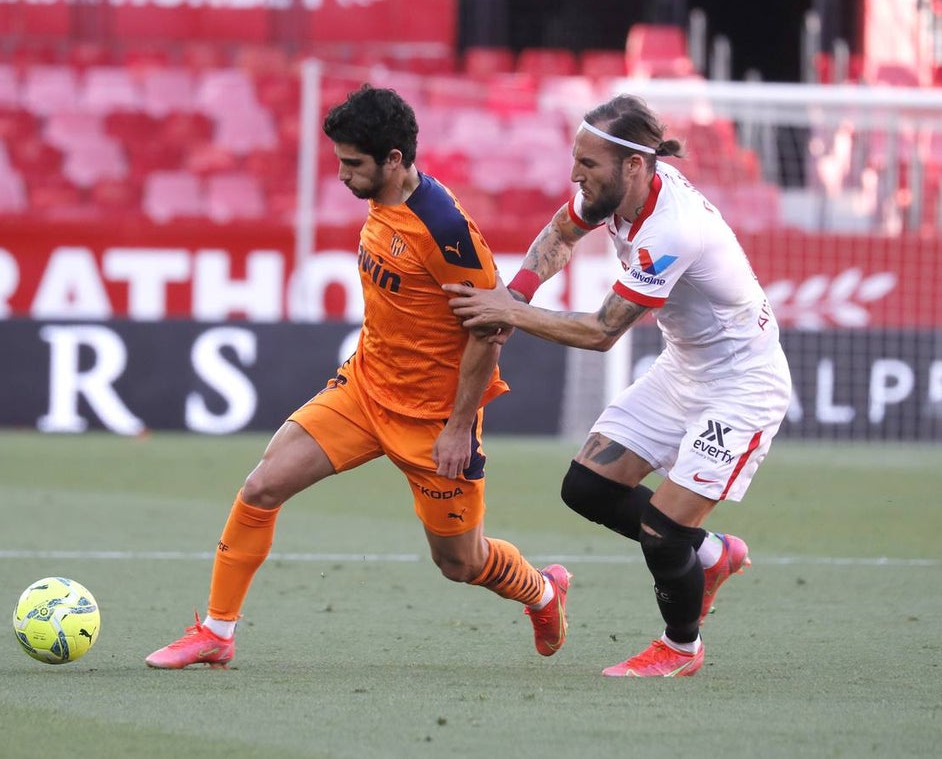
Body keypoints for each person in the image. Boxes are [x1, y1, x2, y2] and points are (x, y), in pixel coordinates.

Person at [146, 84, 571, 670]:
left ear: (394, 160)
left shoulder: (446, 232)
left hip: (433, 421)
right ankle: (217, 631)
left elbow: (490, 330)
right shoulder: (380, 198)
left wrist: (456, 426)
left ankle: (542, 590)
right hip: (365, 389)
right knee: (262, 487)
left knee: (460, 563)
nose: (343, 176)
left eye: (353, 164)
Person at [445, 94, 791, 678]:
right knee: (586, 488)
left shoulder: (672, 229)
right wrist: (518, 293)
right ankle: (709, 555)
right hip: (683, 368)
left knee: (662, 533)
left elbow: (604, 330)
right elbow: (560, 231)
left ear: (634, 165)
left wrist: (509, 314)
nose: (575, 174)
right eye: (575, 159)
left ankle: (681, 649)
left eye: (588, 163)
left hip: (741, 386)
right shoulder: (612, 191)